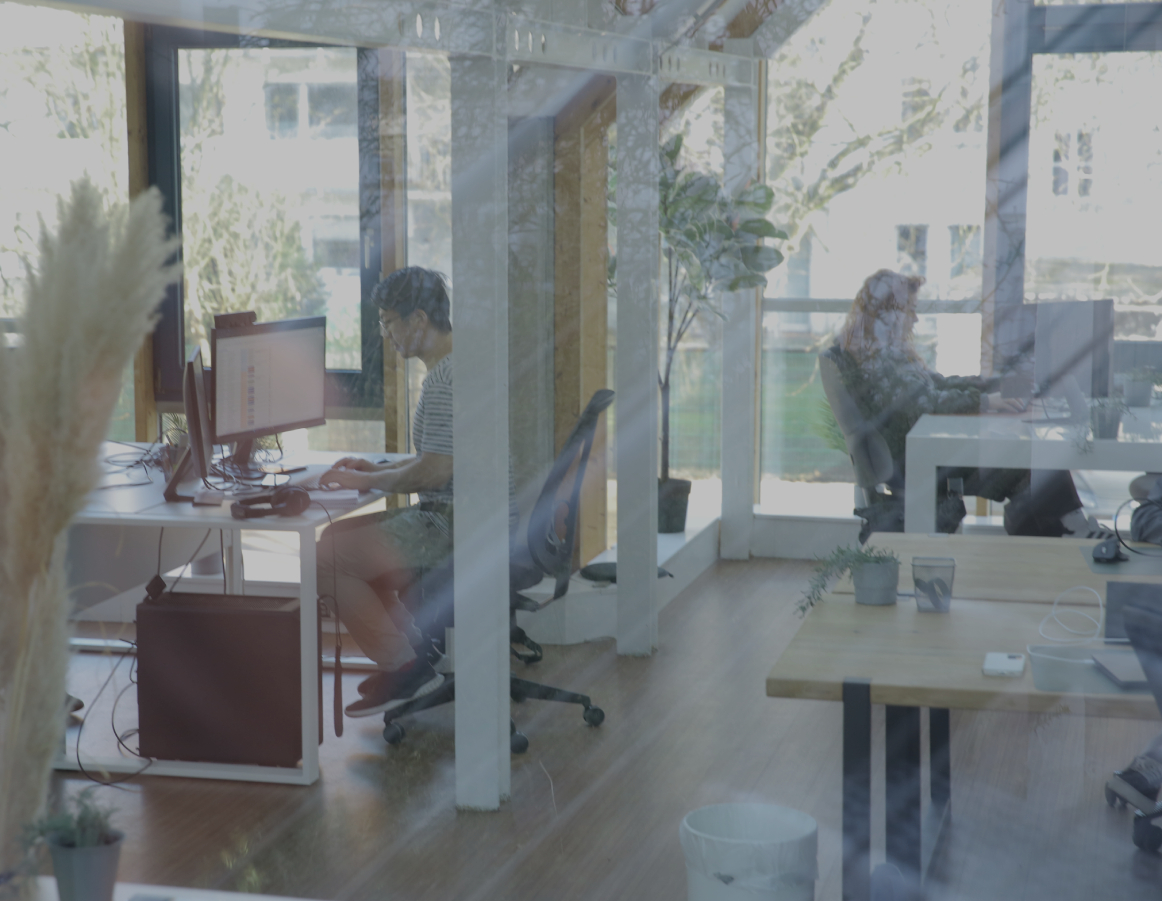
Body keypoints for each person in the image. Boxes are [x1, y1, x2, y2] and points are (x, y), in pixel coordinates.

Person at [830, 269, 1105, 538]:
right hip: (921, 456)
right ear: (889, 312)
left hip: (927, 447)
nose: (915, 318)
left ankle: (1058, 536)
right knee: (1032, 456)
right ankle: (1074, 531)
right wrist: (986, 401)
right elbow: (926, 405)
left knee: (1029, 461)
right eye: (910, 309)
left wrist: (1001, 385)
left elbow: (936, 384)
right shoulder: (877, 359)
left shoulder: (881, 350)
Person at [315, 267, 463, 717]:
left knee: (323, 558)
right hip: (474, 516)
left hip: (453, 523)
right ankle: (413, 656)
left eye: (387, 321)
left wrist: (364, 481)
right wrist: (377, 468)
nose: (386, 333)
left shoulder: (442, 382)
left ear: (417, 320)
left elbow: (436, 472)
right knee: (334, 544)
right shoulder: (461, 364)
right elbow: (438, 459)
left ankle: (408, 667)